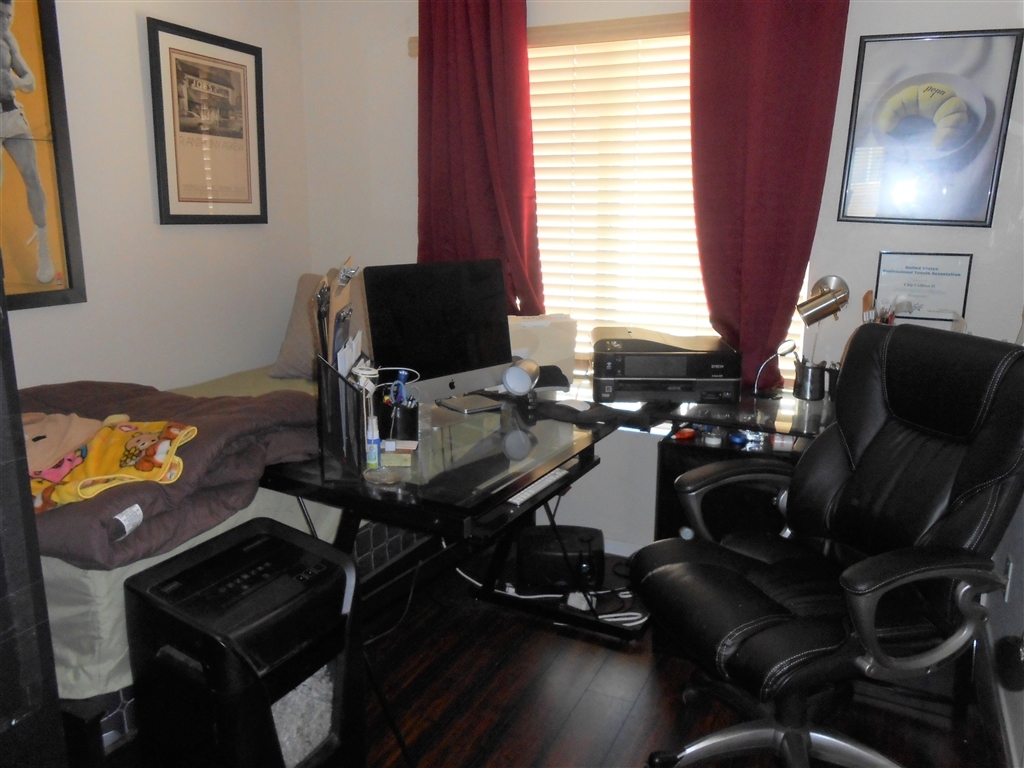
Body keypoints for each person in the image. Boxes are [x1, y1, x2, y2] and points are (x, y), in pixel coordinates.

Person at [1, 0, 53, 284]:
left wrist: (16, 82)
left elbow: (30, 80)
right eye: (0, 14)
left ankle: (44, 247)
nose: (5, 20)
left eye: (9, 15)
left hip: (10, 113)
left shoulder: (8, 39)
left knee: (32, 176)